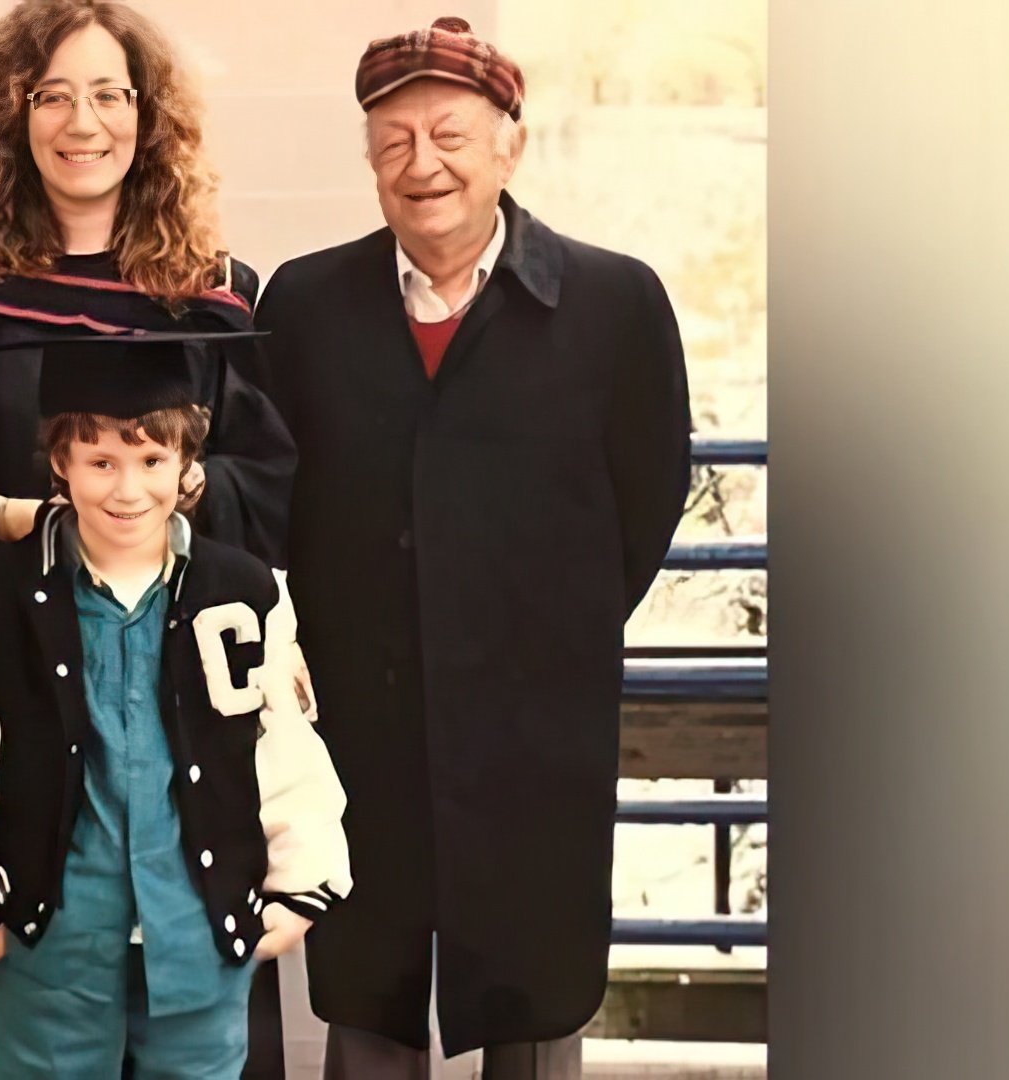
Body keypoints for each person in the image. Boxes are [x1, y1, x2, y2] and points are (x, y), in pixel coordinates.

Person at [0, 3, 298, 1075]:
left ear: (149, 118)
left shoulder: (217, 299)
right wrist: (19, 523)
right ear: (15, 113)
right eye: (53, 95)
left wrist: (152, 502)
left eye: (107, 94)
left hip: (179, 717)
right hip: (14, 707)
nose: (80, 121)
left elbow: (268, 482)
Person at [246, 19, 692, 1079]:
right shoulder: (304, 306)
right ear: (366, 159)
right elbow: (269, 491)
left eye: (449, 133)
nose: (422, 163)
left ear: (510, 145)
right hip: (357, 715)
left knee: (534, 1002)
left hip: (536, 723)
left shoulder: (614, 304)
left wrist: (538, 630)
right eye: (392, 140)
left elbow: (648, 499)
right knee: (368, 1000)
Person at [0, 329, 351, 1079]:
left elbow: (280, 746)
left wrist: (302, 887)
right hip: (54, 941)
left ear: (187, 467)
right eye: (100, 462)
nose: (127, 489)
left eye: (150, 461)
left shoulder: (244, 591)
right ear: (59, 466)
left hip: (198, 935)